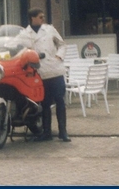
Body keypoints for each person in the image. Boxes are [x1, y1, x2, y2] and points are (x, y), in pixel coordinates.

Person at [23, 8, 71, 141]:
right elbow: (16, 46)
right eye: (40, 17)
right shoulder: (25, 34)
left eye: (43, 17)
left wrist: (59, 57)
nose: (43, 19)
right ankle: (47, 133)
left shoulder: (50, 30)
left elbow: (62, 45)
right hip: (39, 72)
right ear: (32, 18)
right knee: (44, 103)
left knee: (60, 101)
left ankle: (63, 132)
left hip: (55, 69)